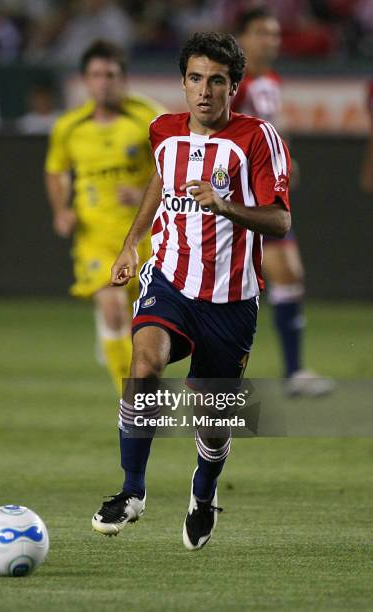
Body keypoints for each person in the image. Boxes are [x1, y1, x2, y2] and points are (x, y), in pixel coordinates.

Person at [91, 31, 291, 549]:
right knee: (144, 364)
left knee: (214, 423)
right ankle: (132, 491)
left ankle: (203, 496)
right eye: (196, 79)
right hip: (171, 281)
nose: (205, 90)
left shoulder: (257, 139)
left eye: (217, 81)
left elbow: (279, 219)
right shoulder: (163, 131)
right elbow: (161, 182)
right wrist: (132, 243)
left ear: (234, 87)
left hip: (231, 301)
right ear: (183, 83)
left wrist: (226, 207)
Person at [45, 40, 163, 393]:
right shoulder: (69, 126)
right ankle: (132, 401)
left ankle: (116, 348)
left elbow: (173, 167)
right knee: (112, 310)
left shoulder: (149, 117)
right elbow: (56, 171)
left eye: (110, 74)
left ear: (123, 78)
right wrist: (61, 210)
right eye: (96, 75)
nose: (104, 82)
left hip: (144, 236)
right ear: (85, 80)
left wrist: (142, 189)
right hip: (94, 237)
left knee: (144, 327)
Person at [233, 7, 334, 396]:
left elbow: (269, 128)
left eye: (275, 34)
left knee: (288, 275)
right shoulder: (234, 82)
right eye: (261, 33)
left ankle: (294, 371)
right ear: (242, 37)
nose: (270, 41)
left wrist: (284, 155)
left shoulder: (270, 80)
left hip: (264, 199)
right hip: (237, 200)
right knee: (228, 290)